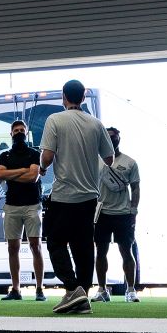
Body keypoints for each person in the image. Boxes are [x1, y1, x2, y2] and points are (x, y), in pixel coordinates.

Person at [40, 79, 113, 315]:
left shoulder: (55, 120)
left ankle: (72, 288)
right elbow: (109, 159)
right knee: (83, 247)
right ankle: (82, 297)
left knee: (55, 241)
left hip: (63, 195)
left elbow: (48, 157)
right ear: (83, 98)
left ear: (64, 96)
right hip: (90, 195)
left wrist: (41, 167)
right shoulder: (96, 123)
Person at [0, 119, 46, 302]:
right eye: (16, 130)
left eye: (21, 130)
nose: (18, 133)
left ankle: (39, 289)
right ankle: (15, 289)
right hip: (11, 206)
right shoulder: (5, 156)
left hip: (33, 205)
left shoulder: (35, 154)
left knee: (36, 246)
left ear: (26, 133)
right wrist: (24, 170)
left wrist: (14, 173)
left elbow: (33, 177)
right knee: (12, 247)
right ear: (11, 134)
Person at [92, 127, 139, 304]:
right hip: (102, 213)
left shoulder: (130, 162)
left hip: (123, 214)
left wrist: (133, 211)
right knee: (100, 252)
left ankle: (131, 290)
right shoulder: (96, 162)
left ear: (119, 139)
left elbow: (136, 188)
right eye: (108, 137)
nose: (112, 140)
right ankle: (102, 289)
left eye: (114, 137)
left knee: (126, 251)